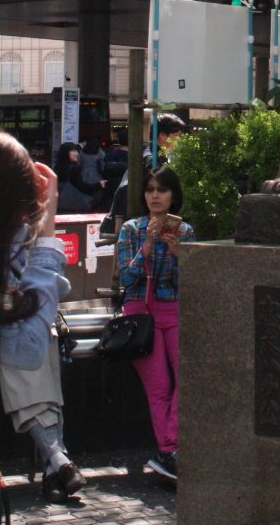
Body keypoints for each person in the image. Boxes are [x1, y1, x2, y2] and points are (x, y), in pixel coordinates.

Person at [0, 131, 85, 507]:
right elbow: (23, 347)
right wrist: (47, 225)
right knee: (34, 358)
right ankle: (56, 458)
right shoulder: (16, 240)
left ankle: (57, 461)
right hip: (25, 350)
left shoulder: (11, 241)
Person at [116, 165, 194, 482]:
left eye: (161, 190)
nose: (155, 196)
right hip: (140, 311)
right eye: (150, 190)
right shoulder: (132, 229)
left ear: (173, 195)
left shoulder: (183, 231)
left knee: (187, 378)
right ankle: (170, 450)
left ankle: (168, 451)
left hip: (174, 309)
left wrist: (179, 254)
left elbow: (190, 280)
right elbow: (126, 277)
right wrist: (146, 247)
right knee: (159, 386)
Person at [106, 114, 186, 229]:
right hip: (136, 217)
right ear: (163, 135)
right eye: (177, 136)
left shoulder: (151, 153)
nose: (179, 140)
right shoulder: (150, 157)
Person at [54, 142, 103, 213]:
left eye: (76, 151)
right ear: (66, 153)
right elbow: (82, 187)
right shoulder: (73, 169)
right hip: (74, 205)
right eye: (73, 151)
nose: (77, 154)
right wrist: (99, 185)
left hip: (59, 205)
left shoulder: (57, 168)